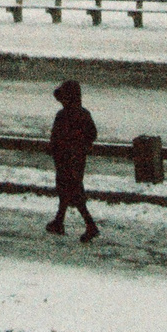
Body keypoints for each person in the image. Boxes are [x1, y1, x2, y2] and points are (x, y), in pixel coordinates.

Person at [44, 80, 100, 242]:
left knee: (71, 192)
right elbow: (92, 134)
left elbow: (55, 138)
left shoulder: (62, 115)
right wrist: (81, 146)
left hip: (64, 159)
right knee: (70, 191)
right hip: (77, 160)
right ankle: (59, 221)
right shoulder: (83, 114)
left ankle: (90, 225)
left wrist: (56, 147)